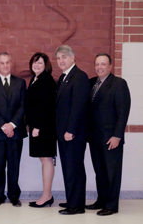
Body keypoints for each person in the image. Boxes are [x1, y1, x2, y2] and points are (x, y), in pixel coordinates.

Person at [86, 53, 131, 216]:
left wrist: (117, 136)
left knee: (112, 172)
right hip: (95, 137)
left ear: (110, 66)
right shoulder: (92, 83)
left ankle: (111, 205)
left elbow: (123, 112)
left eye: (103, 64)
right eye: (97, 64)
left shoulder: (119, 84)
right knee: (100, 171)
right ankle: (102, 200)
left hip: (111, 138)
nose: (99, 67)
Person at [0, 52, 27, 207]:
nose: (5, 65)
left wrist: (12, 125)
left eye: (7, 62)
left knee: (14, 165)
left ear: (11, 63)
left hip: (15, 132)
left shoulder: (21, 83)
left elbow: (23, 106)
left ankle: (14, 195)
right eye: (2, 63)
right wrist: (4, 126)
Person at [55, 45, 90, 215]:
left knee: (74, 168)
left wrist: (70, 130)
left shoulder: (80, 77)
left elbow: (78, 107)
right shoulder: (64, 78)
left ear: (72, 58)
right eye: (58, 58)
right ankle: (71, 200)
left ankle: (76, 206)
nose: (61, 61)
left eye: (64, 57)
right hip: (64, 134)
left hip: (73, 134)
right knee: (68, 168)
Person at [25, 52, 57, 208]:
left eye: (40, 63)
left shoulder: (47, 80)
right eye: (34, 62)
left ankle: (46, 196)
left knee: (46, 159)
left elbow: (47, 107)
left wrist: (38, 126)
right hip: (37, 128)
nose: (36, 65)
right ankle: (47, 195)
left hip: (44, 128)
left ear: (46, 65)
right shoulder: (34, 79)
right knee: (44, 160)